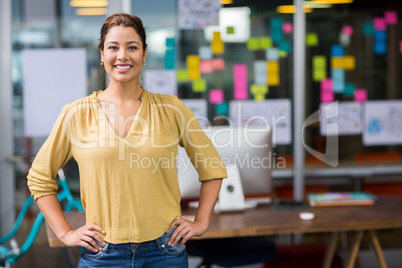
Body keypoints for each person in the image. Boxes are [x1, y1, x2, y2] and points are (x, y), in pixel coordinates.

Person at [27, 13, 227, 268]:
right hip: (102, 254)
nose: (122, 55)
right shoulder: (76, 114)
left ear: (144, 54)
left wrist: (201, 221)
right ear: (102, 54)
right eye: (113, 47)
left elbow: (212, 167)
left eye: (132, 47)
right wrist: (66, 232)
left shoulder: (172, 109)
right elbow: (39, 177)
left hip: (164, 252)